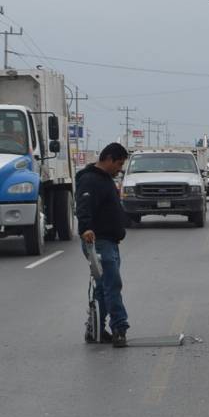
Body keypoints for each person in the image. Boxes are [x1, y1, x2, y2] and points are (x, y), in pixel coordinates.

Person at [76, 143, 131, 347]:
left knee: (103, 288)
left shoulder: (105, 178)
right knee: (112, 284)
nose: (120, 168)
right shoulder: (90, 179)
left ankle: (96, 330)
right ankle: (119, 328)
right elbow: (83, 205)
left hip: (109, 241)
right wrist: (85, 228)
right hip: (98, 242)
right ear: (108, 159)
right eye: (118, 164)